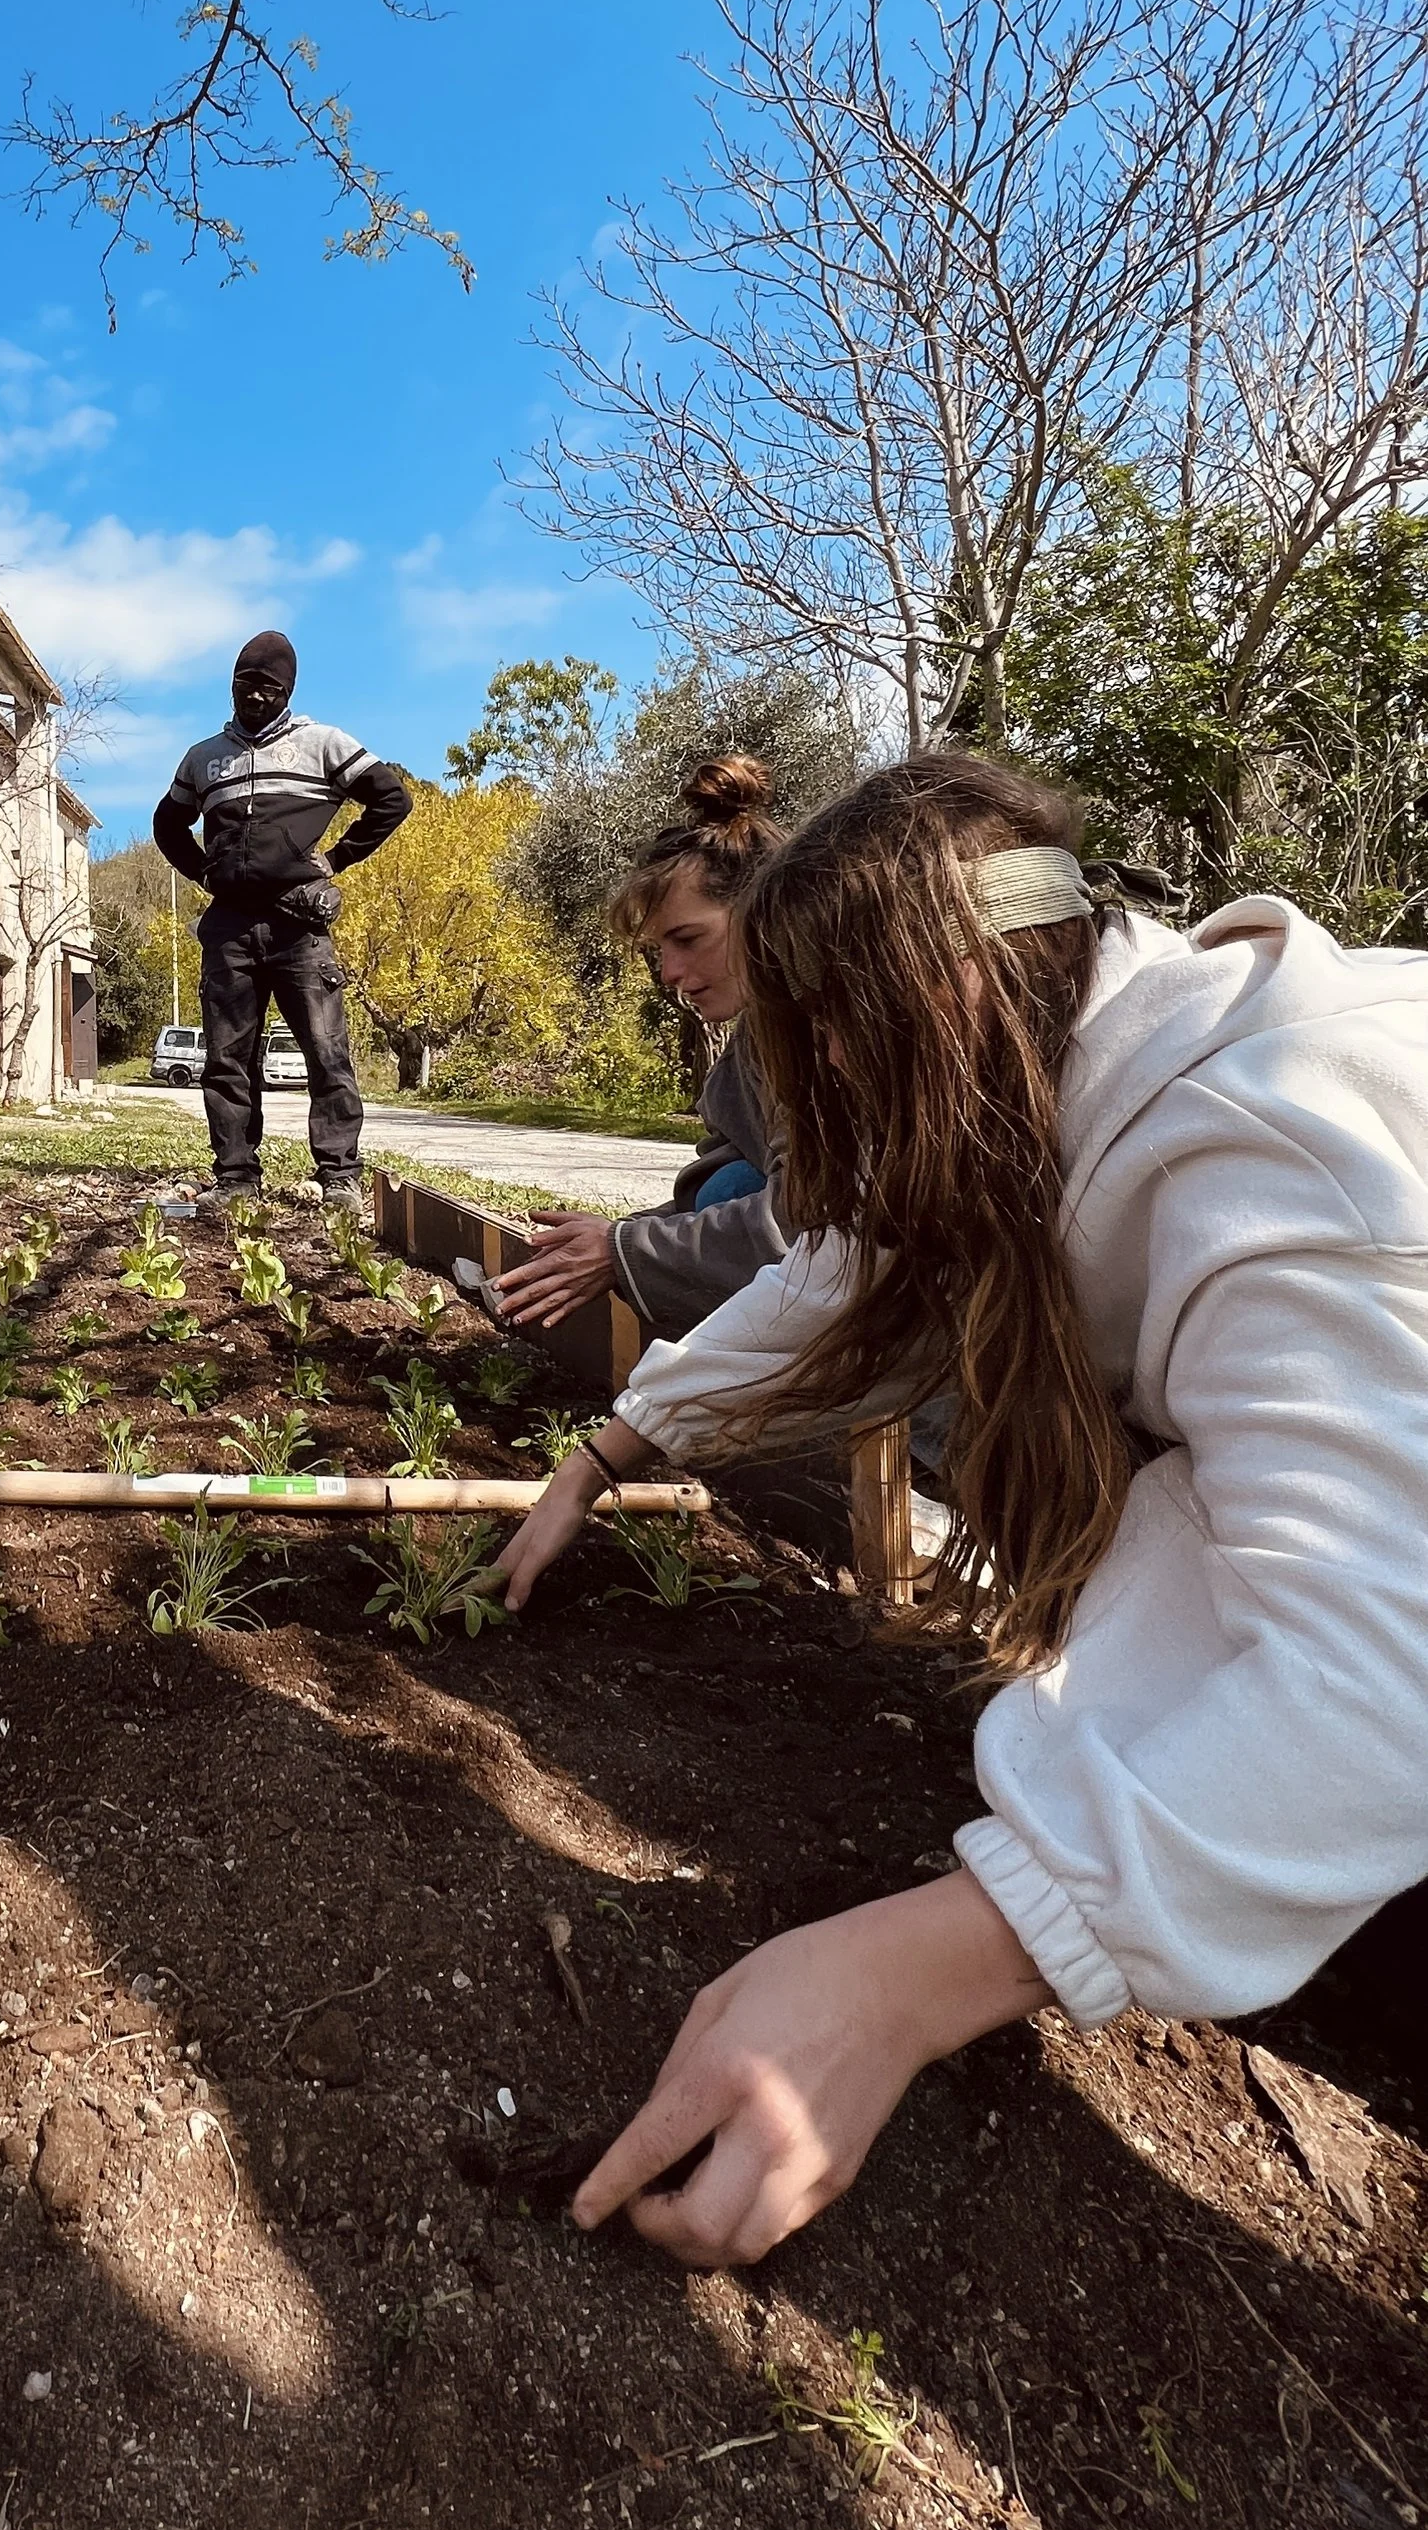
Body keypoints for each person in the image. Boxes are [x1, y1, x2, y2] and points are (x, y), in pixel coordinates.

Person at [493, 752, 1428, 2271]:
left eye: (831, 1082)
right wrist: (611, 1447)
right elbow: (840, 1271)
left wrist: (909, 1976)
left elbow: (1386, 1673)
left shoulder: (1301, 1166)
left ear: (915, 1030)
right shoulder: (1063, 1066)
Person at [493, 756, 790, 1345]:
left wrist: (622, 1250)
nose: (672, 973)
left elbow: (808, 1221)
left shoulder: (833, 1032)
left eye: (687, 939)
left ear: (763, 908)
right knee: (726, 1183)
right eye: (659, 949)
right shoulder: (757, 1042)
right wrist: (620, 1239)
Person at [152, 629, 412, 1206]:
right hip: (230, 930)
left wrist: (335, 858)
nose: (257, 696)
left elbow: (391, 798)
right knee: (227, 1059)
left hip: (300, 926)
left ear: (288, 690)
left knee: (326, 1051)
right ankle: (237, 1178)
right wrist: (203, 871)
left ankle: (340, 1176)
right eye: (247, 685)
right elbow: (168, 824)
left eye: (270, 687)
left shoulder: (323, 743)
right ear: (232, 686)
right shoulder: (204, 757)